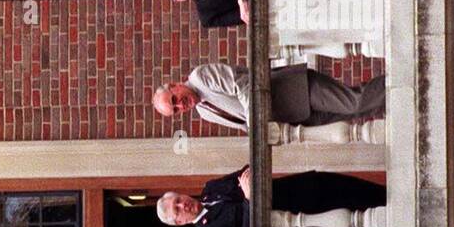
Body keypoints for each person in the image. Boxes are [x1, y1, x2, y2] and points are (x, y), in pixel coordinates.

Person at [156, 165, 387, 227]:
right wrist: (247, 198)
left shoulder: (210, 188)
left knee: (349, 187)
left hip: (293, 189)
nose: (182, 204)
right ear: (180, 222)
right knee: (353, 221)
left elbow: (244, 172)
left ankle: (389, 195)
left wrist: (247, 188)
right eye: (178, 210)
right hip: (295, 223)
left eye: (178, 199)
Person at [152, 62, 386, 132]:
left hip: (296, 89)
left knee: (354, 101)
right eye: (176, 110)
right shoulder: (204, 113)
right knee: (355, 112)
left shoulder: (200, 77)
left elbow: (242, 85)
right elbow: (246, 126)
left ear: (174, 85)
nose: (180, 105)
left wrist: (256, 123)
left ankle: (401, 79)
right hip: (294, 116)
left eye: (174, 99)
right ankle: (394, 93)